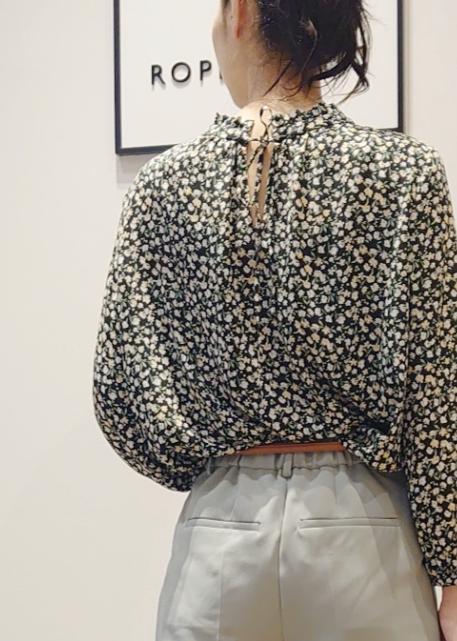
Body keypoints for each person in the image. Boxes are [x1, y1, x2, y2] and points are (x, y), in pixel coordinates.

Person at [92, 0, 457, 639]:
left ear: (239, 13)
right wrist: (452, 568)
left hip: (219, 533)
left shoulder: (163, 186)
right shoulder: (404, 175)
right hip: (364, 532)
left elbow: (120, 390)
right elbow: (437, 394)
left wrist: (201, 461)